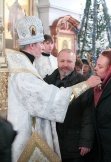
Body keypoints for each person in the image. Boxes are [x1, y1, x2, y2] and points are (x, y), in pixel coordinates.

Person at [5, 16, 102, 162]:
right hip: (27, 137)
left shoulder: (26, 69)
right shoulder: (23, 74)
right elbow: (53, 98)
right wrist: (86, 85)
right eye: (40, 43)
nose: (42, 47)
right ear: (32, 46)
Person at [44, 49, 94, 162]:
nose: (65, 65)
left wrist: (86, 141)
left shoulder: (84, 83)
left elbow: (88, 115)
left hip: (74, 143)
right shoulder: (47, 81)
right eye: (62, 61)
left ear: (74, 62)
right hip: (52, 141)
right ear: (57, 61)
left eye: (69, 61)